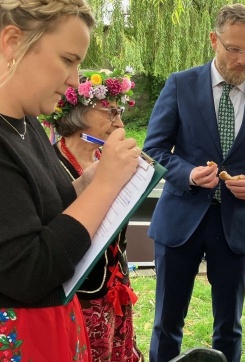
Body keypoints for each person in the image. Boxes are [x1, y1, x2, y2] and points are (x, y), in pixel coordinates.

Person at [143, 3, 245, 362]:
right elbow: (154, 150)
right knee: (166, 322)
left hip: (236, 226)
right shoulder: (180, 84)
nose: (243, 61)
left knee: (229, 327)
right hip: (181, 222)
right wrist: (188, 174)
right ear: (214, 41)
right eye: (234, 49)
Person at [0, 1, 141, 361]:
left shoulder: (26, 121)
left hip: (51, 330)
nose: (76, 80)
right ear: (13, 41)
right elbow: (29, 270)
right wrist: (107, 185)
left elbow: (46, 212)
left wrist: (90, 181)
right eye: (67, 59)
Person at [41, 69, 142, 361]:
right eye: (111, 112)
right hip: (79, 297)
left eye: (119, 112)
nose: (120, 122)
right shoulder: (50, 165)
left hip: (112, 288)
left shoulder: (106, 161)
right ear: (80, 112)